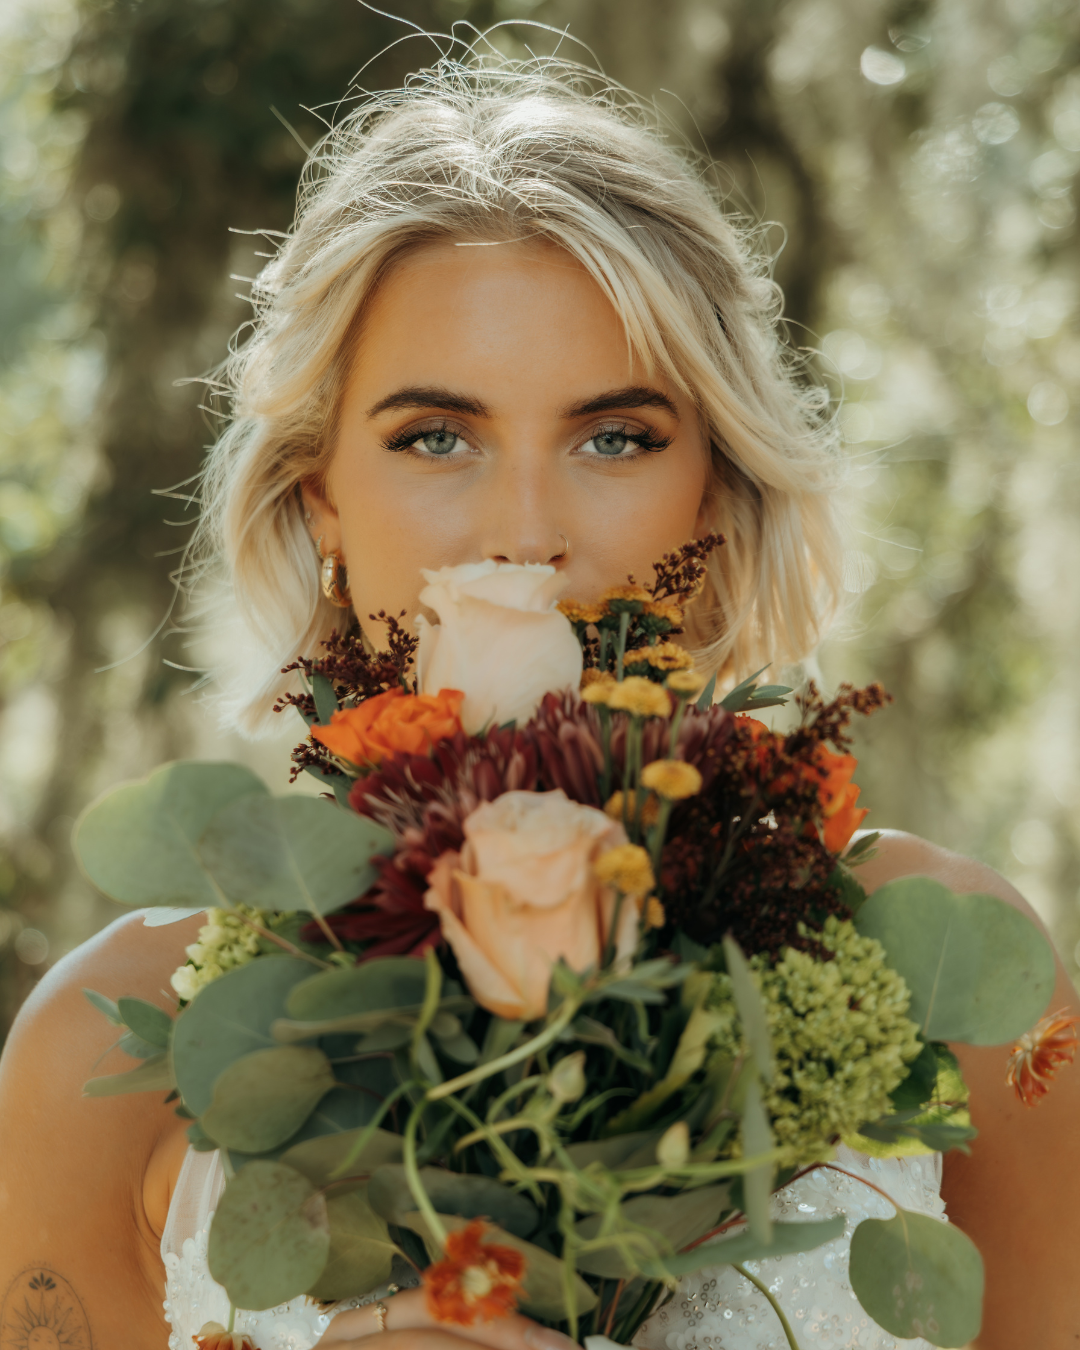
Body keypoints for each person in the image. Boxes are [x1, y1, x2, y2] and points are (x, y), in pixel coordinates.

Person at [0, 54, 1077, 1350]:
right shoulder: (110, 1053)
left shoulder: (952, 987)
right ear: (322, 497)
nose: (524, 531)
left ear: (719, 498)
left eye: (615, 435)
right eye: (434, 436)